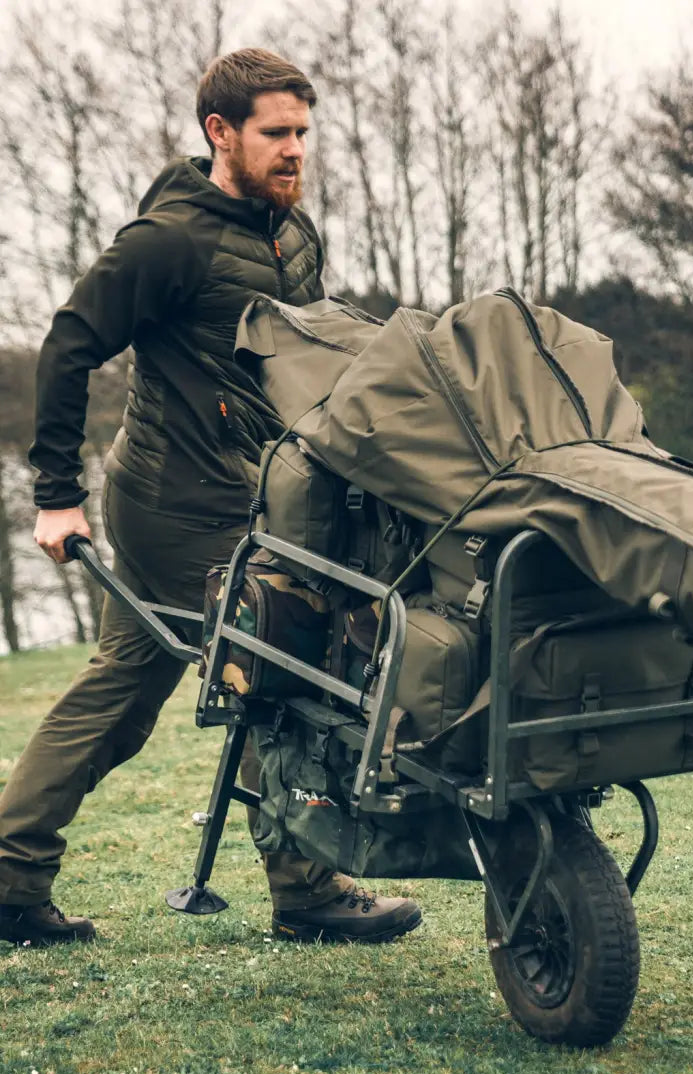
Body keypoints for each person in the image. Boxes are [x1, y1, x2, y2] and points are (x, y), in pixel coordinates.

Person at [0, 49, 421, 947]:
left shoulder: (292, 234)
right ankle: (305, 890)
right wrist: (55, 495)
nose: (296, 150)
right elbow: (69, 343)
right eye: (277, 133)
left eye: (304, 132)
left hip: (254, 496)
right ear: (220, 133)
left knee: (123, 690)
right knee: (288, 662)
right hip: (172, 502)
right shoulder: (170, 240)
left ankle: (10, 870)